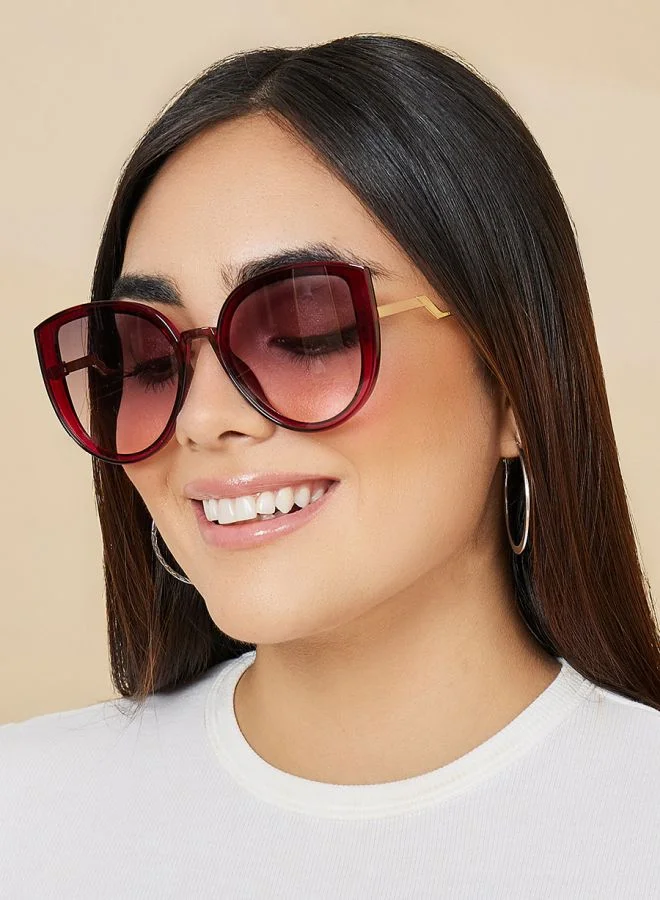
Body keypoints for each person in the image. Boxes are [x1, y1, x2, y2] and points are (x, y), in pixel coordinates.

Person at [3, 33, 659, 898]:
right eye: (149, 356)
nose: (201, 419)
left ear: (512, 385)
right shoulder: (24, 815)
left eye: (309, 331)